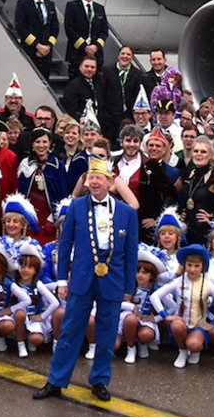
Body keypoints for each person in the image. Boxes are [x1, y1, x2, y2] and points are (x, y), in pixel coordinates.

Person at [34, 158, 139, 402]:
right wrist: (62, 280)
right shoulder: (77, 206)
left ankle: (100, 380)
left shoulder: (126, 213)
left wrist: (129, 285)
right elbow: (65, 242)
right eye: (90, 178)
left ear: (110, 182)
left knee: (107, 332)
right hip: (81, 277)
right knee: (70, 330)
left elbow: (131, 250)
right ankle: (56, 380)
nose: (93, 182)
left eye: (98, 178)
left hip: (112, 280)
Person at [62, 0, 111, 76]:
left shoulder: (100, 8)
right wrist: (85, 47)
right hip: (76, 54)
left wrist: (95, 46)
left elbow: (104, 31)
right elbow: (69, 29)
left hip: (95, 55)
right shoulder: (72, 6)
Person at [14, 0, 61, 77]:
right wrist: (37, 46)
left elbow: (55, 28)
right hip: (30, 51)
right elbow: (20, 28)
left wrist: (48, 46)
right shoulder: (23, 3)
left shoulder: (50, 5)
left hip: (46, 53)